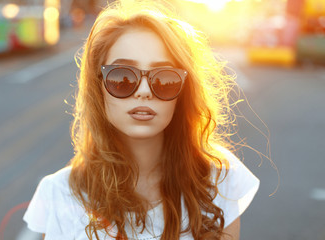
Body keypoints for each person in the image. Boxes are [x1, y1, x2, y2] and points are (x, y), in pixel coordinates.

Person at [23, 0, 260, 239]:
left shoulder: (220, 180)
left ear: (183, 92)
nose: (144, 91)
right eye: (122, 76)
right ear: (99, 86)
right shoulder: (59, 193)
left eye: (164, 79)